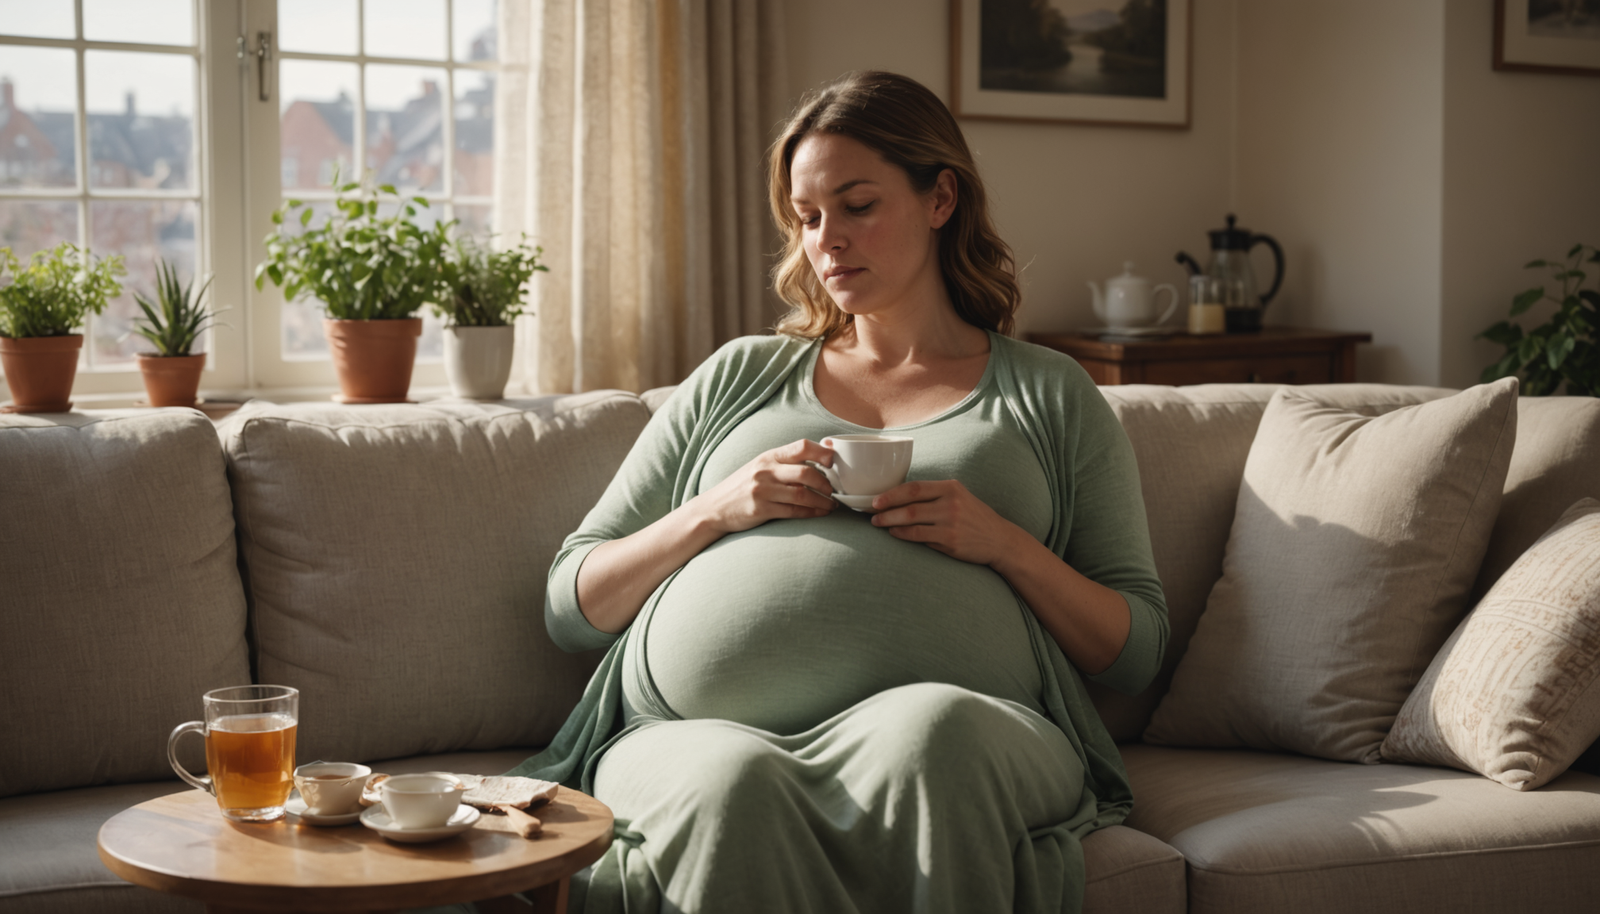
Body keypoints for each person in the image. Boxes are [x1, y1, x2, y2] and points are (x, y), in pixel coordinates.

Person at [507, 70, 1168, 914]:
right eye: (808, 216)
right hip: (694, 734)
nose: (827, 241)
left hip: (963, 725)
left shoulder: (1048, 393)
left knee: (932, 737)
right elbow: (572, 605)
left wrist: (1005, 544)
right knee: (730, 783)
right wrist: (720, 508)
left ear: (941, 200)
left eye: (857, 206)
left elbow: (1137, 647)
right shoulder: (740, 376)